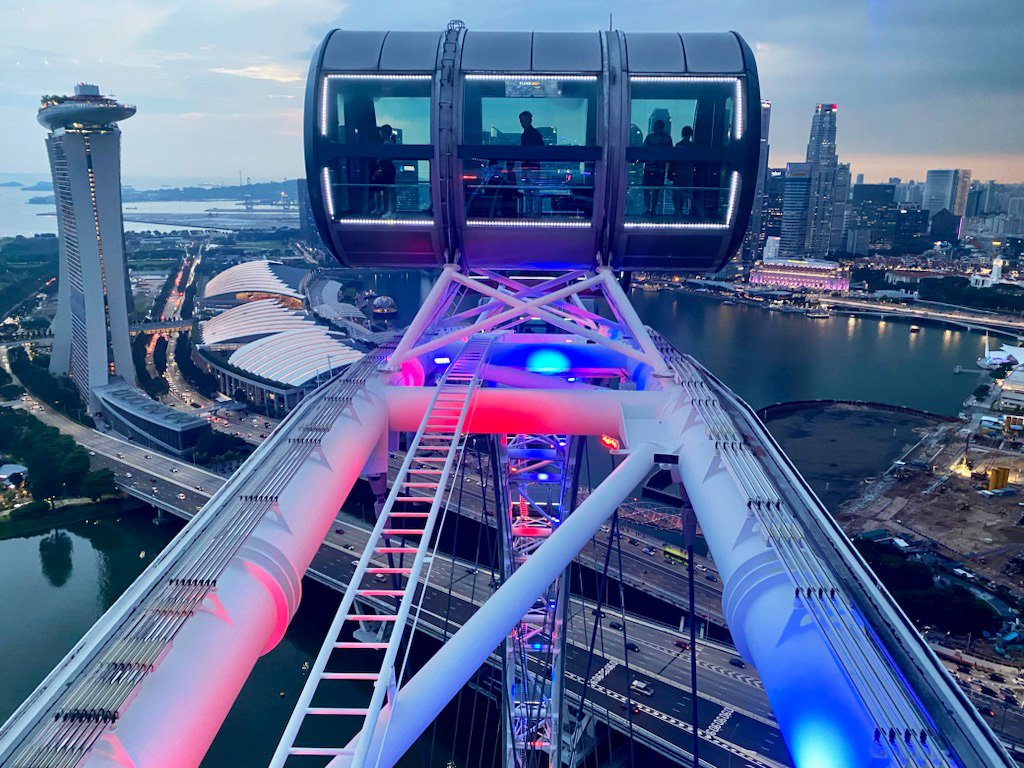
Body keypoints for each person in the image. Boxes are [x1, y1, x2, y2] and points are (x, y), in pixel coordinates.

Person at [642, 119, 673, 217]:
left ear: (654, 126)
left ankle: (648, 209)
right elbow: (671, 153)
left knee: (646, 189)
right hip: (660, 170)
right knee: (656, 190)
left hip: (648, 168)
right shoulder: (667, 138)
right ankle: (653, 210)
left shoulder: (649, 138)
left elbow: (642, 150)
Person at [519, 111, 545, 216]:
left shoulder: (531, 134)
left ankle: (532, 213)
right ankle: (533, 213)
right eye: (522, 121)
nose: (523, 123)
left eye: (524, 120)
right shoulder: (532, 134)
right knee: (531, 191)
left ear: (530, 120)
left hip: (530, 167)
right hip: (530, 166)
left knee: (531, 191)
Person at [369, 124, 397, 217]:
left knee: (389, 189)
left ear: (385, 133)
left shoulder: (388, 144)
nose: (379, 132)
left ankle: (390, 211)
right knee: (386, 189)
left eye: (381, 131)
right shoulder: (387, 143)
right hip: (385, 168)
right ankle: (386, 210)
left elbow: (382, 157)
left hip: (386, 168)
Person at [669, 125, 695, 219]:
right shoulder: (692, 146)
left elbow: (674, 160)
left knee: (676, 192)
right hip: (688, 172)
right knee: (684, 192)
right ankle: (679, 210)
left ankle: (677, 210)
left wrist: (671, 172)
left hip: (679, 171)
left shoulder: (678, 145)